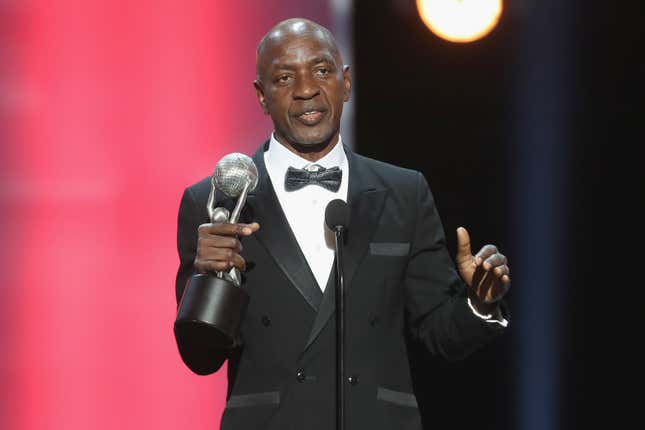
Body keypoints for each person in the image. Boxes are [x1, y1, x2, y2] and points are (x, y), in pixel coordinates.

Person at [174, 18, 510, 430]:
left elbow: (439, 333)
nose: (306, 89)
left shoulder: (404, 192)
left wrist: (479, 303)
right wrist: (210, 279)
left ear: (345, 82)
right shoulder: (215, 203)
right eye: (283, 77)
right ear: (261, 96)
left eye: (321, 70)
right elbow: (201, 359)